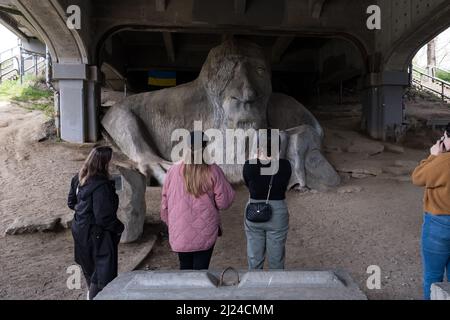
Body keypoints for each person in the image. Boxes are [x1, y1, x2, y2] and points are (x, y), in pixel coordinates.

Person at [160, 131, 235, 270]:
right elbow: (224, 202)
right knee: (201, 272)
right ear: (205, 148)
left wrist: (171, 223)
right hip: (205, 231)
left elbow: (164, 203)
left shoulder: (173, 170)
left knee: (185, 270)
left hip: (180, 230)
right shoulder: (213, 170)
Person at [67, 146, 124, 300]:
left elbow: (71, 203)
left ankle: (90, 294)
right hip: (97, 234)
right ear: (104, 163)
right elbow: (103, 217)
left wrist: (84, 213)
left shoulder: (77, 178)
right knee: (101, 276)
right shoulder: (102, 186)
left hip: (80, 229)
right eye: (111, 160)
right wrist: (119, 228)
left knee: (89, 270)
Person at [243, 130, 292, 270]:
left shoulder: (249, 165)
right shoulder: (285, 166)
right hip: (277, 212)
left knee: (254, 259)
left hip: (253, 210)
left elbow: (248, 185)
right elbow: (285, 186)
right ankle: (275, 288)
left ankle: (255, 288)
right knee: (277, 260)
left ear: (259, 147)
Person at [412, 124, 450, 300]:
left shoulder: (443, 162)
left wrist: (433, 156)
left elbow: (418, 177)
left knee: (433, 277)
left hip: (439, 225)